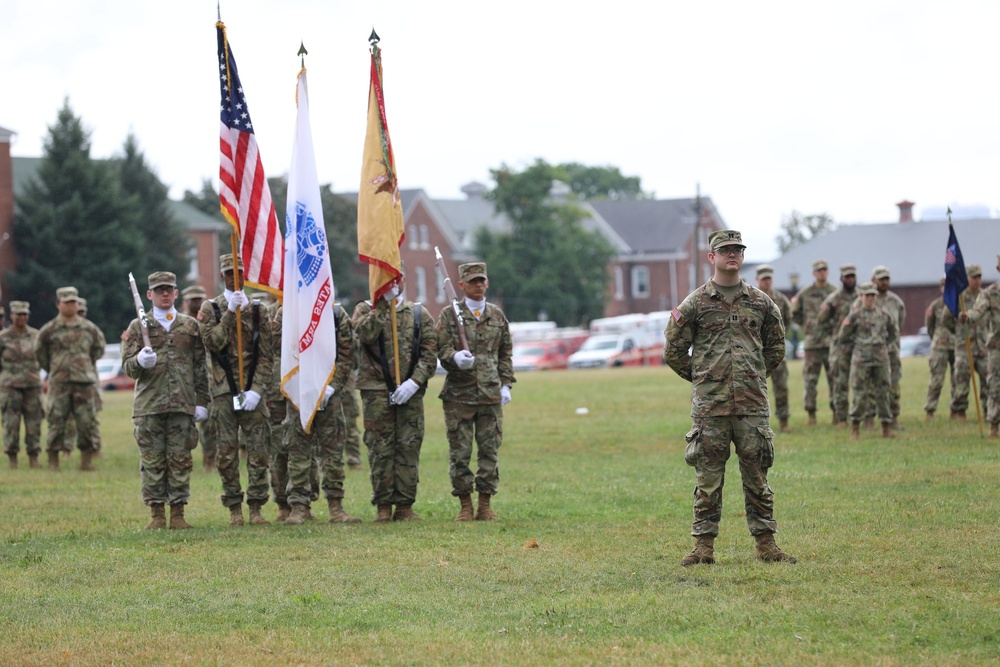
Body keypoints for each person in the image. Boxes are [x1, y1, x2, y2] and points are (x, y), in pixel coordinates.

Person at [664, 230, 795, 566]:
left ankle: (766, 544)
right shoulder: (695, 303)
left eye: (737, 250)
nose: (732, 255)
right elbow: (674, 350)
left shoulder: (761, 302)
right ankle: (703, 547)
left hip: (752, 405)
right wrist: (702, 378)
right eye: (725, 251)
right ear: (712, 257)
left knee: (758, 476)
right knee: (708, 479)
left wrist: (753, 375)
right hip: (711, 407)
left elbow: (777, 346)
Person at [121, 272, 210, 529]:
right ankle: (157, 515)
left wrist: (202, 401)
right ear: (149, 294)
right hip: (150, 406)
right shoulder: (138, 326)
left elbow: (200, 368)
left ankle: (179, 514)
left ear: (176, 293)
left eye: (169, 289)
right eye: (159, 290)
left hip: (182, 404)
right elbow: (127, 367)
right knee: (152, 461)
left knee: (180, 460)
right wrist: (139, 361)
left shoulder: (190, 326)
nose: (164, 294)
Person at [352, 276, 437, 522]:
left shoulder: (419, 313)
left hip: (409, 391)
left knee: (408, 446)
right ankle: (383, 506)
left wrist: (415, 382)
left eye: (397, 279)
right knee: (380, 448)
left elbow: (429, 353)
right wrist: (381, 305)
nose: (393, 284)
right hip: (376, 390)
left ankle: (404, 505)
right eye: (387, 278)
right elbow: (366, 335)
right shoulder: (364, 309)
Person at [198, 254, 274, 526]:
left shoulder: (258, 309)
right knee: (226, 453)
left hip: (253, 390)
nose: (235, 277)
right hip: (222, 391)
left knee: (258, 451)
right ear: (222, 276)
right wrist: (230, 313)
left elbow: (266, 355)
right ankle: (234, 508)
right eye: (230, 273)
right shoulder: (210, 309)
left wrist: (257, 389)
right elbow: (211, 342)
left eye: (240, 272)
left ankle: (256, 507)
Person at [436, 262, 515, 521]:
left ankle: (485, 504)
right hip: (460, 395)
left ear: (487, 283)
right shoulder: (450, 315)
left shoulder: (497, 315)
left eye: (482, 280)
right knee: (460, 453)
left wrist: (506, 384)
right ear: (461, 285)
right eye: (472, 281)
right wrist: (455, 357)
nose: (478, 285)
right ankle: (465, 505)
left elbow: (505, 352)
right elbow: (440, 348)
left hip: (491, 394)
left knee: (489, 451)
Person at [283, 303, 362, 525]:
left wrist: (333, 386)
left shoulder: (336, 314)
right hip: (298, 394)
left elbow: (347, 354)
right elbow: (278, 351)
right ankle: (298, 506)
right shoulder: (288, 311)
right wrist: (296, 384)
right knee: (298, 450)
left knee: (333, 451)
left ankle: (336, 506)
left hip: (330, 396)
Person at [34, 286, 106, 471]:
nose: (71, 305)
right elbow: (40, 352)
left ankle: (86, 461)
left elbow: (98, 349)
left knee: (86, 421)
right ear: (58, 304)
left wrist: (85, 365)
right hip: (60, 382)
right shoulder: (49, 330)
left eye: (74, 302)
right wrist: (53, 369)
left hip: (84, 382)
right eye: (67, 302)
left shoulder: (89, 328)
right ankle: (53, 461)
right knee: (56, 421)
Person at [838, 282, 897, 440]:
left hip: (880, 358)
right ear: (861, 297)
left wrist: (882, 345)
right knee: (859, 393)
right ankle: (855, 429)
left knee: (883, 392)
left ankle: (885, 427)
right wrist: (858, 347)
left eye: (872, 295)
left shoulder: (884, 315)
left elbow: (893, 333)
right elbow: (843, 336)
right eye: (867, 295)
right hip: (861, 359)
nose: (870, 298)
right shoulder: (854, 316)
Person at [791, 259, 837, 425]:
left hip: (831, 343)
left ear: (828, 272)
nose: (822, 272)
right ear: (814, 273)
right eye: (819, 270)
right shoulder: (805, 293)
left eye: (824, 269)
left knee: (835, 380)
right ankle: (811, 415)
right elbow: (795, 314)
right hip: (812, 344)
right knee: (810, 381)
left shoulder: (834, 292)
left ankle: (836, 413)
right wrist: (807, 325)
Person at [0, 301, 44, 468]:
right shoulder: (3, 338)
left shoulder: (36, 335)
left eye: (25, 314)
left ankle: (34, 457)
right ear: (12, 316)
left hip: (33, 385)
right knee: (11, 423)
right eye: (19, 314)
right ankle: (12, 459)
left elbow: (43, 356)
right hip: (10, 387)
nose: (22, 317)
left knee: (34, 423)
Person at [960, 255, 1000, 438]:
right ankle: (994, 426)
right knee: (995, 386)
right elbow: (978, 310)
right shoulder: (990, 293)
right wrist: (967, 316)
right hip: (997, 347)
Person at [816, 264, 858, 426]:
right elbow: (821, 320)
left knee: (862, 382)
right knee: (839, 382)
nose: (850, 279)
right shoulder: (833, 299)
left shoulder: (861, 297)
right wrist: (834, 333)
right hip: (840, 346)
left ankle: (864, 416)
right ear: (841, 279)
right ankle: (841, 417)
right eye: (847, 277)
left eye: (852, 276)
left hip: (859, 345)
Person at [182, 285, 217, 470]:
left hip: (206, 377)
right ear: (185, 302)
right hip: (182, 379)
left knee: (209, 422)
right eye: (193, 299)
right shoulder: (179, 321)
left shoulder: (210, 320)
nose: (196, 303)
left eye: (199, 299)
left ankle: (209, 458)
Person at [947, 264, 988, 421]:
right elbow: (947, 319)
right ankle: (959, 411)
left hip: (983, 346)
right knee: (962, 381)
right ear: (967, 278)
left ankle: (988, 412)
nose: (978, 280)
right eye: (974, 277)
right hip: (965, 347)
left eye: (979, 277)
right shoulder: (959, 297)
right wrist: (959, 333)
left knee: (988, 381)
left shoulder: (986, 296)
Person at [754, 265, 792, 432]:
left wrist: (777, 337)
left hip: (775, 350)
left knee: (781, 385)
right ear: (757, 279)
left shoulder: (780, 299)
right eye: (763, 279)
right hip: (754, 351)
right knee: (754, 388)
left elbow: (788, 320)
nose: (766, 281)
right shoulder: (751, 298)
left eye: (769, 278)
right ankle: (754, 423)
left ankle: (783, 421)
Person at [870, 265, 905, 427]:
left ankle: (893, 418)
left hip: (892, 351)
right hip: (871, 353)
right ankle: (868, 419)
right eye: (881, 279)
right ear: (873, 280)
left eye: (886, 279)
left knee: (893, 385)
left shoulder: (896, 302)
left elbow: (900, 324)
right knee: (870, 386)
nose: (884, 282)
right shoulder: (868, 300)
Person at [923, 278, 955, 420]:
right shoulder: (935, 306)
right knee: (936, 380)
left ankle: (957, 410)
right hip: (940, 347)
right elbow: (929, 326)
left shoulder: (959, 304)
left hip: (957, 346)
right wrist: (936, 339)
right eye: (944, 286)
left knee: (958, 380)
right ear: (941, 288)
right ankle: (930, 410)